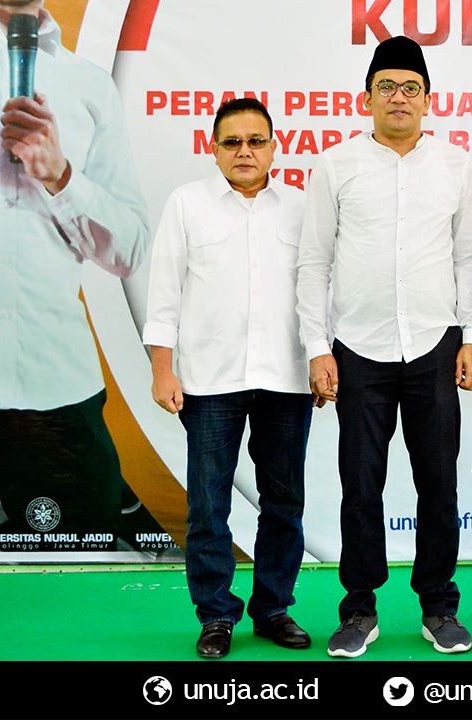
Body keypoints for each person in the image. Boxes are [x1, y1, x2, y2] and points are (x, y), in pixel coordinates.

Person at [296, 35, 472, 657]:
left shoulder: (457, 165)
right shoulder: (336, 165)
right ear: (368, 97)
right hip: (357, 350)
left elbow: (468, 260)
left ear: (429, 99)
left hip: (435, 345)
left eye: (411, 88)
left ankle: (439, 606)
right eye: (387, 88)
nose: (399, 98)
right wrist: (317, 347)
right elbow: (313, 262)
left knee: (439, 483)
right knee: (360, 484)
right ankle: (359, 610)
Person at [143, 98, 313, 659]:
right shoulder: (187, 204)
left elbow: (319, 293)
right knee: (209, 505)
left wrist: (320, 355)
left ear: (274, 146)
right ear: (213, 148)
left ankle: (273, 610)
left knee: (283, 501)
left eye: (256, 141)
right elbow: (164, 295)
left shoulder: (300, 208)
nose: (245, 151)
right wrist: (162, 369)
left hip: (286, 377)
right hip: (208, 380)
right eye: (232, 142)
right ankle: (216, 615)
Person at [0, 0, 149, 547]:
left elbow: (130, 249)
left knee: (77, 596)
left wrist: (60, 174)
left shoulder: (88, 84)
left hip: (57, 388)